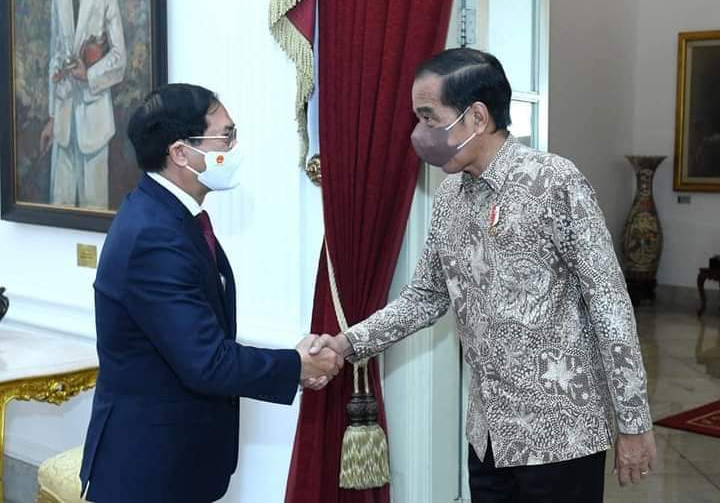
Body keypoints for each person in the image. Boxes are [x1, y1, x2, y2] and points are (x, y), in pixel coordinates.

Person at [309, 48, 656, 502]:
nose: (420, 133)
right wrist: (347, 343)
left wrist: (633, 422)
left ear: (476, 117)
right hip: (489, 435)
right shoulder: (450, 196)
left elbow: (609, 304)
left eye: (430, 117)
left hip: (561, 436)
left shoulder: (554, 182)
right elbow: (425, 296)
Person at [79, 83, 342, 502]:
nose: (235, 148)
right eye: (226, 136)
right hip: (148, 470)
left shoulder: (170, 215)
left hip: (177, 460)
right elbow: (206, 361)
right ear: (181, 153)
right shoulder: (153, 235)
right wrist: (297, 365)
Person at [40, 0, 127, 209]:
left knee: (94, 209)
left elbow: (119, 56)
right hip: (63, 125)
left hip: (94, 121)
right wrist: (52, 117)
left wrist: (88, 75)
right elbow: (55, 54)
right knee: (59, 209)